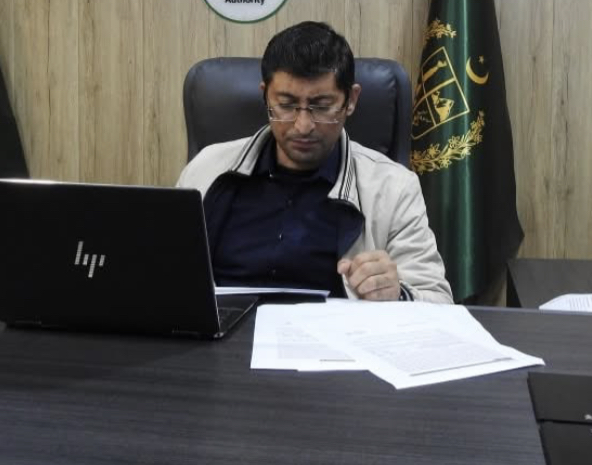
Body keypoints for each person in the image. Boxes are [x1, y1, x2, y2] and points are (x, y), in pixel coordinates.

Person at [177, 21, 452, 303]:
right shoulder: (205, 170)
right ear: (265, 96)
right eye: (286, 105)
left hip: (335, 330)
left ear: (351, 100)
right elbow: (167, 274)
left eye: (321, 107)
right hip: (222, 329)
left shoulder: (394, 188)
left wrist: (398, 294)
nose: (303, 125)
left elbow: (438, 300)